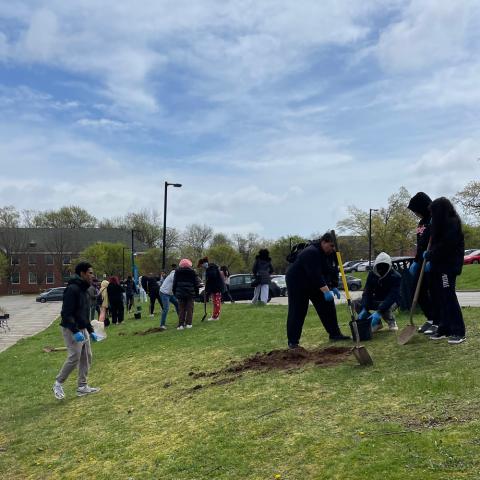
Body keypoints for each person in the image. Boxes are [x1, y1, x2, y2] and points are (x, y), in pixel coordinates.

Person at [286, 232, 349, 349]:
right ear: (323, 242)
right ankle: (293, 342)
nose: (332, 249)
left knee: (327, 305)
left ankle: (335, 334)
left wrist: (333, 285)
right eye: (331, 245)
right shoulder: (310, 252)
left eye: (334, 246)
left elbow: (333, 270)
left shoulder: (331, 253)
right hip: (297, 282)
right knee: (298, 310)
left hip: (315, 282)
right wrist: (325, 290)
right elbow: (314, 274)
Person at [52, 262, 101, 400]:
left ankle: (82, 387)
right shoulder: (72, 289)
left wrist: (90, 331)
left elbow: (83, 314)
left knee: (87, 356)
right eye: (90, 273)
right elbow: (66, 313)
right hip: (70, 328)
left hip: (82, 327)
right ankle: (58, 383)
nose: (92, 275)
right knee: (75, 356)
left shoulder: (84, 290)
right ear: (82, 273)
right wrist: (75, 331)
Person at [425, 197, 466, 344]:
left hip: (447, 268)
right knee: (440, 297)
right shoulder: (439, 225)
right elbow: (436, 243)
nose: (432, 216)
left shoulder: (452, 224)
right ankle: (444, 328)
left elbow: (446, 246)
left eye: (434, 213)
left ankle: (458, 331)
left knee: (448, 297)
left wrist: (430, 254)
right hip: (438, 266)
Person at [407, 192, 436, 334]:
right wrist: (416, 261)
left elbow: (437, 241)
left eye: (416, 210)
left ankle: (438, 320)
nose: (415, 213)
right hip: (420, 261)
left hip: (432, 261)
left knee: (435, 292)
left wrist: (431, 258)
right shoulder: (421, 222)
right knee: (416, 291)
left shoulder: (435, 219)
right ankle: (430, 318)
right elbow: (420, 244)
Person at [355, 252, 401, 332]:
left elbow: (392, 296)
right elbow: (367, 292)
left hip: (392, 301)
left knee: (385, 305)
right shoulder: (372, 275)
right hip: (377, 299)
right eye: (379, 267)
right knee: (357, 302)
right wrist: (364, 308)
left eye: (384, 267)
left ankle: (391, 322)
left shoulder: (396, 276)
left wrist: (379, 312)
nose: (381, 270)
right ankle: (377, 324)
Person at [173, 259, 201, 330]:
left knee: (181, 309)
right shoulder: (192, 272)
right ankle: (189, 324)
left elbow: (174, 283)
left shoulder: (177, 272)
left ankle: (181, 325)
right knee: (189, 309)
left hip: (180, 293)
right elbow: (196, 284)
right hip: (190, 293)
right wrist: (197, 293)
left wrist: (174, 292)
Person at [198, 257, 225, 321]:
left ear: (204, 263)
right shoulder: (209, 268)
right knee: (215, 302)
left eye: (201, 265)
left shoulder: (211, 267)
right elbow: (210, 280)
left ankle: (215, 317)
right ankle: (214, 315)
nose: (202, 267)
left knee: (216, 302)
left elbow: (213, 276)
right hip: (214, 288)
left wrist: (207, 274)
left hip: (217, 288)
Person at [159, 266, 179, 330]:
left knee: (177, 304)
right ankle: (162, 325)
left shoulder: (175, 274)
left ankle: (181, 321)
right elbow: (176, 285)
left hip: (170, 293)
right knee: (166, 308)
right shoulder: (173, 275)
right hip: (164, 293)